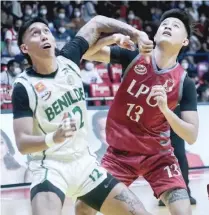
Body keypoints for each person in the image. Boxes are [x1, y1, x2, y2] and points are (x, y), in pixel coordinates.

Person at [12, 16, 155, 215]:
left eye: (46, 31)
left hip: (85, 164)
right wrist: (54, 137)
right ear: (24, 48)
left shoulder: (69, 59)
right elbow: (22, 143)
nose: (43, 35)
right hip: (50, 168)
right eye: (35, 33)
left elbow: (96, 23)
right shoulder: (23, 86)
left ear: (54, 40)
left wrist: (136, 33)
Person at [77, 9, 199, 215]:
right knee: (82, 207)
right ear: (156, 33)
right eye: (165, 24)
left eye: (175, 25)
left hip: (159, 157)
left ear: (185, 41)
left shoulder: (185, 83)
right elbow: (86, 52)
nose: (168, 26)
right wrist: (112, 39)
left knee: (183, 211)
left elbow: (192, 135)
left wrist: (166, 111)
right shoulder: (134, 55)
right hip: (119, 154)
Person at [158, 105, 196, 206]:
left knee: (179, 154)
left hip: (174, 113)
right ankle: (164, 193)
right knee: (159, 157)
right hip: (156, 117)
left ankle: (185, 191)